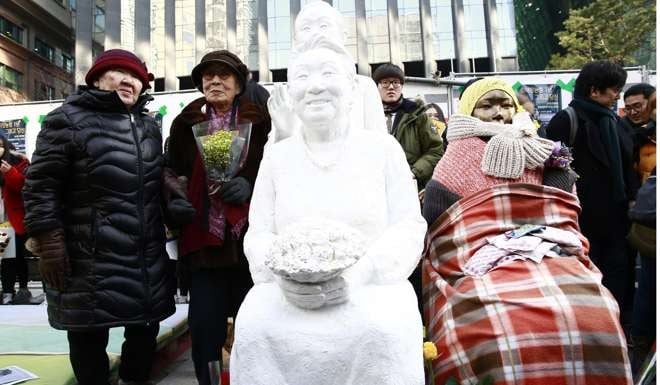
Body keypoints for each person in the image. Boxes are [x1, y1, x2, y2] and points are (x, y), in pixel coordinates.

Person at [230, 35, 426, 385]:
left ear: (352, 88)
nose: (315, 87)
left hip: (370, 288)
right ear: (291, 94)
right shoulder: (277, 157)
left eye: (328, 74)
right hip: (287, 291)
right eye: (302, 77)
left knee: (383, 332)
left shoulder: (383, 149)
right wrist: (282, 275)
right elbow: (259, 232)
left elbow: (408, 225)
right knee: (254, 326)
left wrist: (363, 272)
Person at [422, 77, 632, 385]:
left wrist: (555, 171)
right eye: (487, 105)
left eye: (506, 104)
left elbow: (562, 210)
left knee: (596, 310)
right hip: (479, 263)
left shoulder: (543, 152)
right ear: (469, 111)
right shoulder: (452, 163)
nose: (498, 114)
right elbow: (445, 233)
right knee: (484, 324)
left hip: (549, 252)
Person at [23, 49, 176, 385]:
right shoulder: (66, 119)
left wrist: (170, 189)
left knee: (144, 329)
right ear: (95, 80)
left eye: (135, 76)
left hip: (143, 254)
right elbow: (41, 187)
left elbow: (153, 174)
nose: (128, 80)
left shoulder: (149, 127)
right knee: (88, 335)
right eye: (118, 72)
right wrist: (49, 243)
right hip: (87, 257)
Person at [165, 50, 270, 385]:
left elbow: (279, 170)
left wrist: (251, 184)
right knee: (205, 330)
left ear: (239, 85)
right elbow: (170, 171)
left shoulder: (262, 121)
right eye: (207, 76)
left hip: (250, 244)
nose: (214, 81)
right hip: (204, 245)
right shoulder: (185, 123)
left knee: (254, 331)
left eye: (223, 76)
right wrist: (173, 203)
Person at [545, 60, 637, 323]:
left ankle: (619, 324)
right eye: (613, 89)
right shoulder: (567, 120)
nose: (617, 95)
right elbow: (554, 168)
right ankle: (592, 324)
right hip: (581, 217)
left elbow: (628, 163)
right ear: (594, 91)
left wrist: (632, 198)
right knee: (588, 274)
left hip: (618, 216)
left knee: (619, 273)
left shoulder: (616, 122)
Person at [267, 0, 386, 145]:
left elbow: (380, 141)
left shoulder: (363, 86)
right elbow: (272, 161)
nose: (315, 33)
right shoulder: (290, 92)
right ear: (295, 40)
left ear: (343, 35)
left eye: (324, 25)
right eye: (306, 28)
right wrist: (283, 133)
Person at [372, 63, 444, 191]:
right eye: (385, 82)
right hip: (375, 186)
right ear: (376, 86)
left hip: (409, 187)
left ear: (401, 86)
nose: (391, 87)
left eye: (395, 82)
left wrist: (413, 173)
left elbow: (435, 150)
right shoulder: (367, 114)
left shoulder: (417, 114)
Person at [0, 135, 30, 305]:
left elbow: (23, 187)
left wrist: (9, 172)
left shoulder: (17, 162)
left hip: (10, 219)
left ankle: (14, 291)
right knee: (5, 257)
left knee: (13, 257)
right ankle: (7, 291)